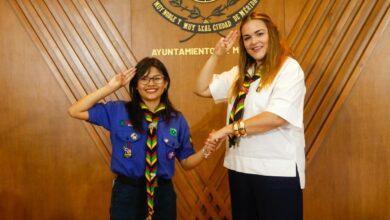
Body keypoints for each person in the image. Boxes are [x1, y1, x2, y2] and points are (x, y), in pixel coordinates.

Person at [68, 57, 215, 220]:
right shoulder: (118, 111)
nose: (150, 83)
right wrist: (111, 87)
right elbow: (75, 111)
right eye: (144, 79)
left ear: (165, 83)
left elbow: (187, 162)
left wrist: (206, 151)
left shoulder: (176, 119)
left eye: (157, 78)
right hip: (127, 193)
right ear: (136, 85)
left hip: (162, 195)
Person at [195, 12, 306, 220]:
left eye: (259, 34)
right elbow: (201, 89)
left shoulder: (289, 68)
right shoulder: (241, 72)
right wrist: (217, 54)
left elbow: (275, 117)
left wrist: (228, 129)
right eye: (247, 38)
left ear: (272, 34)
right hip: (239, 167)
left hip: (277, 171)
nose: (254, 41)